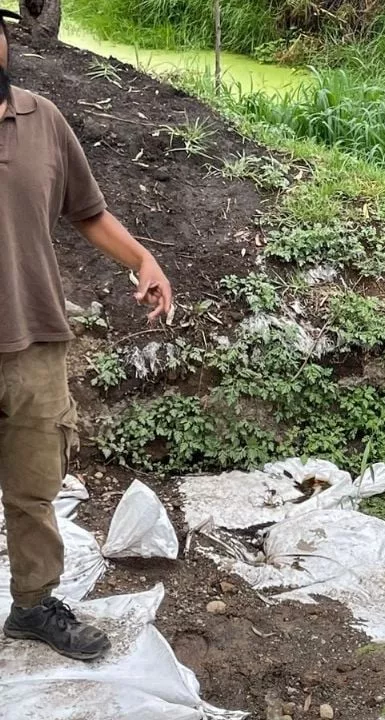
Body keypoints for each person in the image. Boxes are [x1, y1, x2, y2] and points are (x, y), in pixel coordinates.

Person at [0, 11, 173, 660]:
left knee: (34, 487)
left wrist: (141, 261)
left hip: (35, 341)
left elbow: (86, 209)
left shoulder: (43, 120)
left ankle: (34, 604)